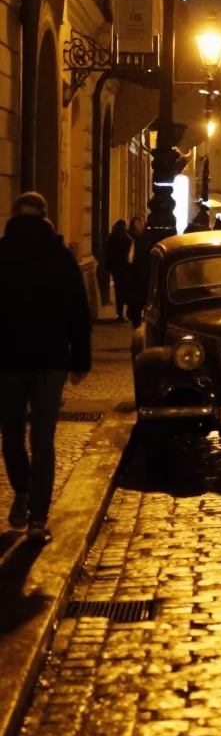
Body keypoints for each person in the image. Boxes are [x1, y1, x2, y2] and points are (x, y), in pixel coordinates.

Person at [0, 191, 91, 543]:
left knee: (11, 435)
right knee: (43, 440)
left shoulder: (2, 252)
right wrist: (80, 359)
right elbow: (78, 311)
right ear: (46, 216)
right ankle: (38, 519)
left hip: (8, 359)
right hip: (51, 359)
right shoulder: (61, 257)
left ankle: (23, 494)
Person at [126, 215, 152, 328]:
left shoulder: (140, 240)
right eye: (137, 225)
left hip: (140, 277)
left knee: (137, 304)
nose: (139, 227)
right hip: (138, 278)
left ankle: (137, 327)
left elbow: (131, 260)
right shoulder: (134, 240)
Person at [104, 219, 131, 321]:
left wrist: (109, 266)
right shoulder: (126, 238)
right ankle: (126, 313)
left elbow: (108, 253)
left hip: (116, 269)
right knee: (126, 291)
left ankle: (120, 314)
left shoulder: (112, 237)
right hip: (125, 268)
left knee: (118, 292)